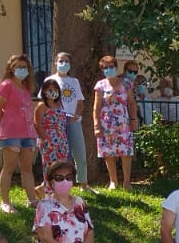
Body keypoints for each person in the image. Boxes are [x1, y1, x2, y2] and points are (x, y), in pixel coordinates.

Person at [0, 54, 38, 214]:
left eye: (24, 67)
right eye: (18, 67)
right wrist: (7, 124)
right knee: (9, 167)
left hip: (28, 133)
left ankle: (32, 200)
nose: (21, 70)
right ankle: (5, 202)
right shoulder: (6, 85)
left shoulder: (26, 88)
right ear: (11, 68)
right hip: (11, 134)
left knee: (27, 168)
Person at [92, 55, 140, 190]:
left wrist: (133, 119)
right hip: (106, 124)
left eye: (111, 67)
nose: (109, 70)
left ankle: (127, 181)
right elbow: (96, 107)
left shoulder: (126, 83)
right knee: (109, 153)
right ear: (102, 70)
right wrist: (96, 125)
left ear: (116, 67)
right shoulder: (100, 86)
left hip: (124, 123)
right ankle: (113, 181)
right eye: (105, 68)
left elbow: (131, 103)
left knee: (125, 152)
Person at [54, 51, 89, 186]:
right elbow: (44, 101)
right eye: (61, 61)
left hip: (74, 121)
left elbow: (80, 102)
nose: (64, 64)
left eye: (67, 61)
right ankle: (61, 182)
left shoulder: (74, 81)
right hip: (57, 123)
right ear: (55, 62)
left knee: (80, 153)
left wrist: (76, 115)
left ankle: (83, 183)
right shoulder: (50, 80)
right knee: (61, 154)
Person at [33, 75, 72, 193]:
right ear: (44, 91)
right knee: (50, 167)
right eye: (50, 90)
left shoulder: (60, 105)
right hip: (48, 141)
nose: (52, 92)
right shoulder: (41, 106)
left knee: (61, 167)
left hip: (62, 140)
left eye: (55, 90)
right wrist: (45, 139)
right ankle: (48, 190)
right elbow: (37, 124)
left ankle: (59, 189)